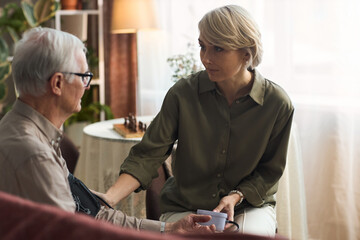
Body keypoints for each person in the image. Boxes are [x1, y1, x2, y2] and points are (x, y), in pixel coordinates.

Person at [101, 5, 294, 237]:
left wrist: (235, 196)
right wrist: (108, 198)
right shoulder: (182, 94)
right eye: (203, 46)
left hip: (247, 206)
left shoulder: (277, 104)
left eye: (218, 49)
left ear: (246, 53)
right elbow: (148, 154)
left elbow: (269, 172)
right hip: (184, 205)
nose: (206, 58)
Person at [0, 27, 215, 234]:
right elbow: (74, 232)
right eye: (84, 76)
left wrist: (169, 229)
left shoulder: (31, 133)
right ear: (57, 83)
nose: (87, 86)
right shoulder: (35, 154)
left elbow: (92, 214)